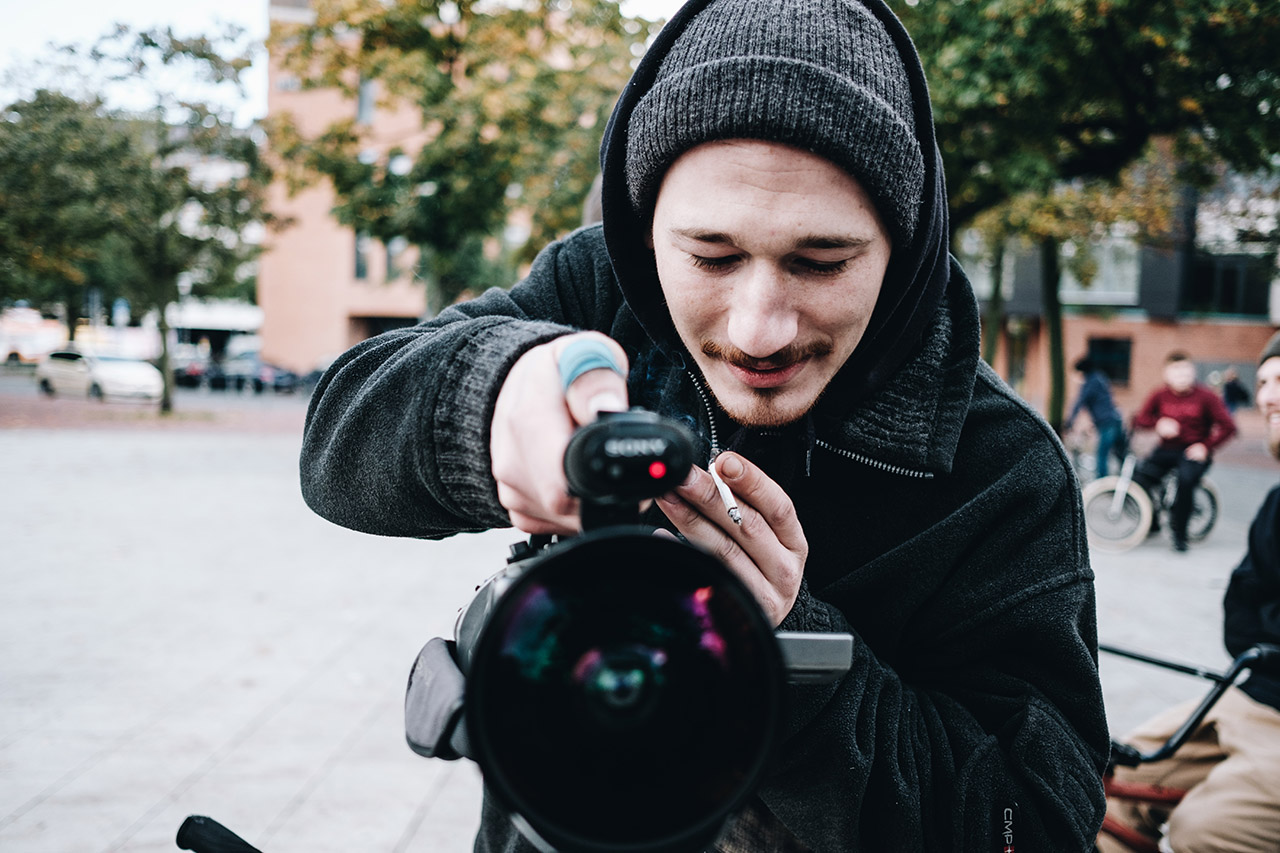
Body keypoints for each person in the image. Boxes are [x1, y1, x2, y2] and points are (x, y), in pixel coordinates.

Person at [300, 1, 1110, 850]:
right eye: (712, 257)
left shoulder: (1006, 471)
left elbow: (1036, 823)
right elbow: (336, 437)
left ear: (903, 249)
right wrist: (487, 398)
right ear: (645, 230)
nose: (759, 328)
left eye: (820, 261)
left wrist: (796, 659)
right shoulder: (599, 299)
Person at [1097, 332, 1280, 853]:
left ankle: (1178, 530)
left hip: (1193, 457)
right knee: (1104, 776)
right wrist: (1160, 425)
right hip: (1250, 694)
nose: (1266, 396)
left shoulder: (1207, 398)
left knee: (1208, 830)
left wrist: (1203, 440)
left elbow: (1222, 425)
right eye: (1264, 381)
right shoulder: (1275, 504)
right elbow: (1239, 617)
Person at [1131, 352, 1237, 552]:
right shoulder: (1159, 395)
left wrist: (1205, 446)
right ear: (1166, 374)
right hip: (1165, 450)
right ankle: (1151, 521)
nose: (1182, 376)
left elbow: (1228, 426)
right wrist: (1158, 423)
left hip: (1193, 451)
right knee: (1139, 479)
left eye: (1186, 371)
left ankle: (1180, 534)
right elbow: (1140, 419)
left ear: (1193, 372)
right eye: (1176, 371)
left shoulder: (1206, 396)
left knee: (1185, 482)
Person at [1065, 355, 1126, 477]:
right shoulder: (1100, 378)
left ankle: (1102, 482)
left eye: (1076, 374)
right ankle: (1128, 477)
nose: (1076, 378)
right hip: (1115, 419)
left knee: (1102, 454)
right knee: (1121, 453)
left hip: (1108, 422)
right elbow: (1103, 403)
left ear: (1082, 372)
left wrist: (1069, 422)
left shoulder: (1090, 382)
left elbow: (1079, 402)